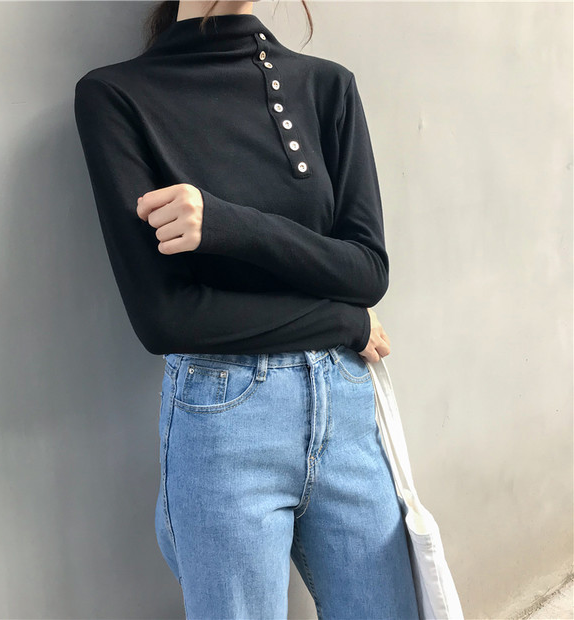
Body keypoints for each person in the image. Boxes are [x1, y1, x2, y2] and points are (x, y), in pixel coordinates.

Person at [74, 1, 420, 618]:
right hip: (225, 422)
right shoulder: (116, 96)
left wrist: (227, 224)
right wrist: (343, 321)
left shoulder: (327, 86)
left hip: (345, 405)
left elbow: (367, 270)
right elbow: (167, 319)